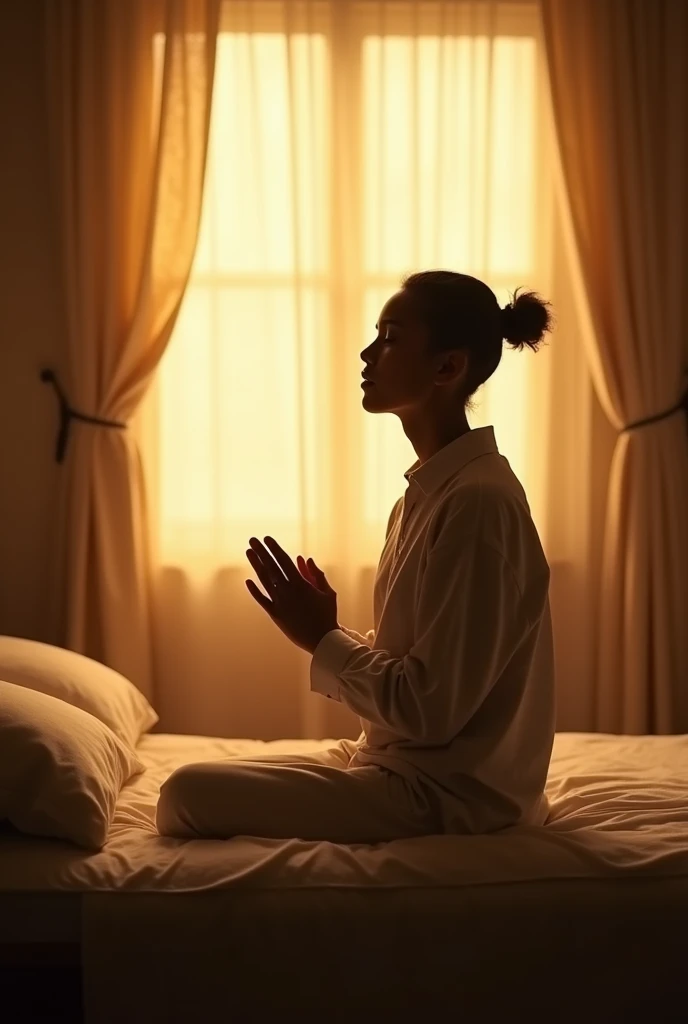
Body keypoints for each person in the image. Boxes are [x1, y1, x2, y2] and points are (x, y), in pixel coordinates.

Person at [156, 270, 555, 843]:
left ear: (448, 367)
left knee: (185, 796)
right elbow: (427, 674)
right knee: (192, 784)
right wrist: (327, 631)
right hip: (406, 766)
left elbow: (429, 710)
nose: (368, 353)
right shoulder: (429, 494)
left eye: (390, 337)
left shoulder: (478, 504)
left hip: (447, 798)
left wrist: (324, 639)